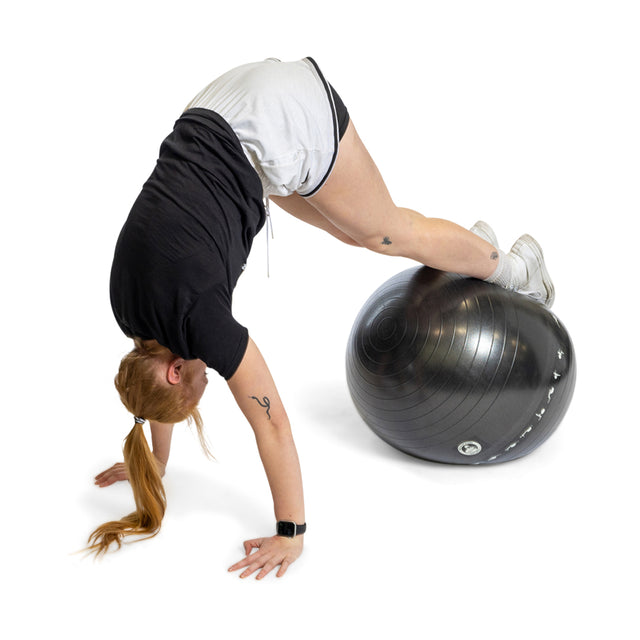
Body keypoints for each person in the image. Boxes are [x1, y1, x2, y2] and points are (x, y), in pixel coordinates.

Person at [88, 57, 554, 579]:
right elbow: (156, 393)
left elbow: (273, 425)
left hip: (276, 118)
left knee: (383, 232)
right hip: (216, 112)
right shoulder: (129, 310)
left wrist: (291, 534)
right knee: (348, 228)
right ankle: (470, 251)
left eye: (197, 389)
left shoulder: (202, 324)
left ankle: (517, 270)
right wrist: (154, 463)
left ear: (176, 370)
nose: (207, 380)